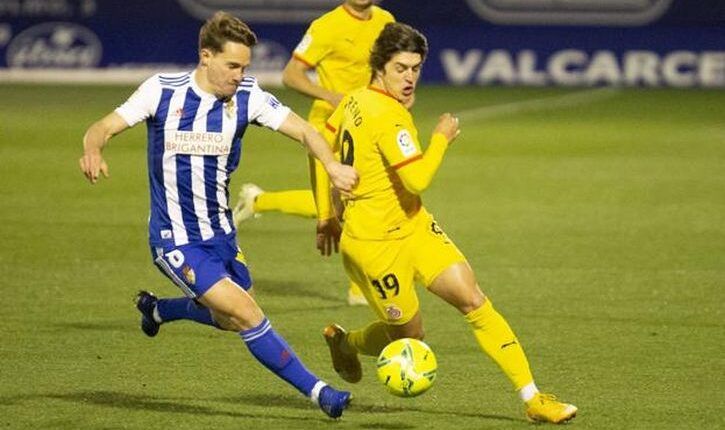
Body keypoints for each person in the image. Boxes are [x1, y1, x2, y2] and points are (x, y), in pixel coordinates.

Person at [78, 11, 358, 419]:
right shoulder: (162, 91)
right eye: (232, 65)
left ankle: (158, 310)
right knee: (246, 314)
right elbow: (102, 126)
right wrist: (93, 149)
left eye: (246, 66)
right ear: (205, 56)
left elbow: (307, 131)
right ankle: (320, 394)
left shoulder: (248, 96)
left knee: (228, 318)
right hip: (174, 238)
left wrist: (331, 167)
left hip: (221, 233)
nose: (240, 75)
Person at [315, 22, 578, 424]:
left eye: (416, 68)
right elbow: (417, 178)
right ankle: (346, 342)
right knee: (410, 336)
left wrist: (328, 214)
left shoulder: (352, 100)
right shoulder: (390, 116)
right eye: (401, 68)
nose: (409, 78)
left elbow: (324, 152)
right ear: (379, 66)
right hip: (374, 246)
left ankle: (533, 398)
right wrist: (441, 136)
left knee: (473, 299)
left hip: (416, 227)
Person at [232, 0, 394, 306]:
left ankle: (259, 201)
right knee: (343, 203)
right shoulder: (326, 26)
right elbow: (291, 75)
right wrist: (328, 95)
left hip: (366, 124)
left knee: (353, 201)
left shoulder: (385, 20)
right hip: (328, 129)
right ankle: (360, 289)